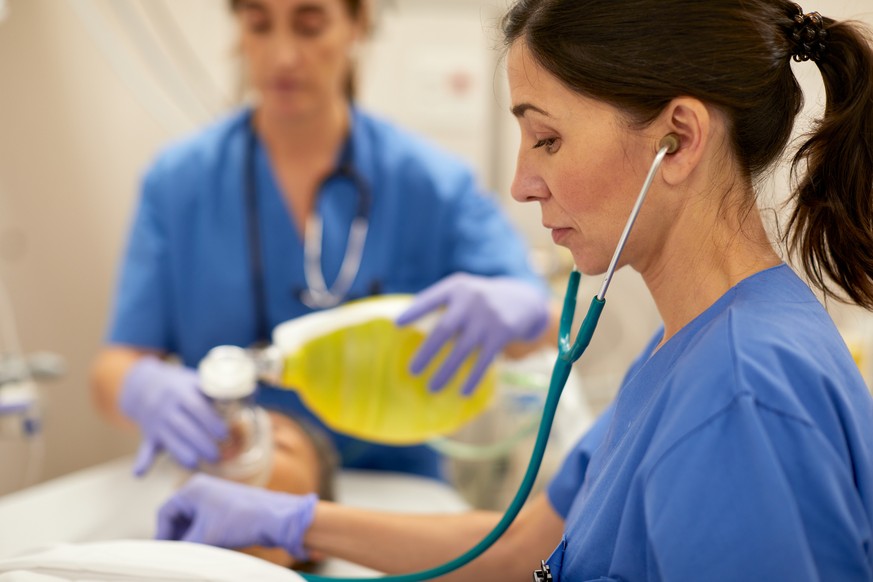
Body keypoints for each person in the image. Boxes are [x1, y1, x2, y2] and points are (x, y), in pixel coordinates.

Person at [155, 0, 873, 579]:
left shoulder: (739, 398)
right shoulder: (686, 347)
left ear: (677, 140)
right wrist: (287, 520)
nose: (521, 185)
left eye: (548, 140)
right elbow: (518, 548)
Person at [90, 0, 552, 489]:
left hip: (391, 491)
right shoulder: (179, 183)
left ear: (358, 24)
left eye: (310, 26)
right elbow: (114, 366)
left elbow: (540, 328)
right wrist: (142, 388)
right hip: (233, 477)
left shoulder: (429, 184)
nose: (283, 55)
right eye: (259, 24)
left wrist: (523, 311)